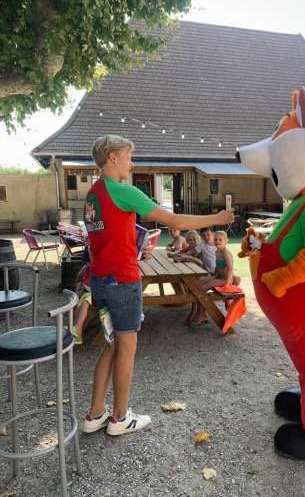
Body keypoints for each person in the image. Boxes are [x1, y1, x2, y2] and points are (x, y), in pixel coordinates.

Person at [82, 134, 234, 437]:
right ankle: (120, 418)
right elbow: (173, 218)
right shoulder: (122, 190)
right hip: (123, 281)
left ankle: (95, 414)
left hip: (100, 279)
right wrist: (216, 217)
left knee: (110, 345)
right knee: (126, 348)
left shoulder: (93, 194)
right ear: (112, 156)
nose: (131, 162)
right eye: (128, 156)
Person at [189, 230, 235, 328]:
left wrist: (227, 284)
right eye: (216, 239)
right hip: (218, 276)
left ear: (226, 241)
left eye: (220, 239)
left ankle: (201, 314)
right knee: (198, 284)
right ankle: (198, 312)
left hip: (225, 279)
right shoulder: (217, 251)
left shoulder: (225, 252)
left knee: (201, 289)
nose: (217, 241)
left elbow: (230, 268)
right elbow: (218, 266)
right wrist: (213, 275)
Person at [72, 245, 94, 344]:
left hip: (99, 293)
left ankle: (77, 329)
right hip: (89, 292)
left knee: (83, 303)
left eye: (92, 255)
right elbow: (85, 281)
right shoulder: (89, 267)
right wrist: (81, 290)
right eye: (89, 255)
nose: (91, 257)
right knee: (80, 305)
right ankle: (78, 335)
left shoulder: (101, 267)